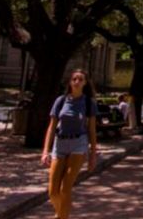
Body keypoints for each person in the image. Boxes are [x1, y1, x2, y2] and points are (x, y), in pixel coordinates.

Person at [41, 68, 99, 219]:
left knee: (65, 189)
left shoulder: (88, 103)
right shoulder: (61, 101)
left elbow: (92, 130)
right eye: (74, 79)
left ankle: (62, 216)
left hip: (78, 144)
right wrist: (45, 151)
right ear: (70, 82)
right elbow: (52, 127)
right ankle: (61, 214)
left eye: (81, 79)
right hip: (60, 144)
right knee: (53, 191)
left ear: (85, 83)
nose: (77, 82)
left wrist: (93, 155)